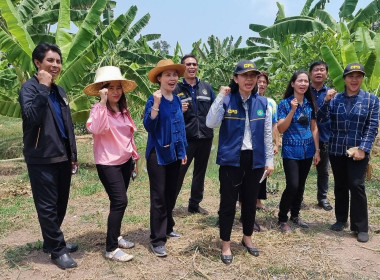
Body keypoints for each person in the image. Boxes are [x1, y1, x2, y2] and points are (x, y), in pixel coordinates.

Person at [206, 60, 274, 265]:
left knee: (251, 202)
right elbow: (210, 123)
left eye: (253, 76)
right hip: (231, 159)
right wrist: (220, 96)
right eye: (245, 76)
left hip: (254, 159)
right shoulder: (227, 100)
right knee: (228, 203)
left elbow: (268, 134)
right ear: (236, 79)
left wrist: (269, 160)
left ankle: (247, 238)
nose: (250, 79)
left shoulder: (263, 103)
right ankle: (226, 243)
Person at [18, 42, 79, 269]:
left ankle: (50, 241)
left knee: (60, 204)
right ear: (37, 63)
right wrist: (43, 87)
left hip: (62, 156)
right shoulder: (30, 88)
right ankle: (57, 249)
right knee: (46, 206)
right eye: (50, 61)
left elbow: (67, 125)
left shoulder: (59, 90)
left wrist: (73, 153)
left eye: (58, 61)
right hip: (41, 157)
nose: (55, 65)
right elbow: (31, 117)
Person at [317, 63, 379, 243]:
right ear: (344, 79)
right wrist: (325, 102)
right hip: (336, 149)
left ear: (362, 79)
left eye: (358, 76)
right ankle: (341, 219)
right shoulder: (335, 99)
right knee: (341, 185)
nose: (354, 80)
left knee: (357, 185)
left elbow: (372, 126)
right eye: (351, 76)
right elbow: (321, 119)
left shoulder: (371, 100)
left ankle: (360, 227)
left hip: (358, 151)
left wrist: (363, 148)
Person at [84, 66, 139, 262]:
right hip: (108, 164)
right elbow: (96, 129)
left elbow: (129, 135)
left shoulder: (123, 110)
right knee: (120, 201)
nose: (116, 91)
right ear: (103, 89)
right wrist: (102, 101)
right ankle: (111, 248)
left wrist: (135, 159)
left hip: (125, 162)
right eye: (110, 88)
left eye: (118, 87)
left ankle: (115, 236)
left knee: (118, 203)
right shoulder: (99, 110)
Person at [144, 59, 188, 257]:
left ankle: (168, 227)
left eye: (174, 74)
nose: (172, 78)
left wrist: (183, 151)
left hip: (175, 154)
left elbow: (179, 128)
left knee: (171, 192)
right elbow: (149, 126)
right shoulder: (154, 99)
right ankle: (157, 239)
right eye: (167, 75)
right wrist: (156, 105)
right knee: (159, 196)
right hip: (158, 155)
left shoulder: (177, 99)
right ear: (159, 78)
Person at [277, 70, 320, 233]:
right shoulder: (284, 104)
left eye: (305, 81)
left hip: (308, 150)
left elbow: (314, 128)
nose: (303, 84)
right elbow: (281, 128)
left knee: (301, 185)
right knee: (292, 185)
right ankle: (282, 218)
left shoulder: (310, 104)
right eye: (300, 81)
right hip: (291, 151)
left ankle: (295, 214)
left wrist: (317, 150)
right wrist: (292, 110)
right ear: (293, 84)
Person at [173, 54, 215, 215]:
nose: (192, 67)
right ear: (183, 67)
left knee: (200, 172)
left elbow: (215, 109)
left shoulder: (206, 87)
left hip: (205, 136)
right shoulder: (176, 89)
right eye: (188, 64)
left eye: (194, 64)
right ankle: (169, 204)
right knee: (178, 173)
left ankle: (194, 204)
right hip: (185, 139)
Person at [309, 61, 335, 211]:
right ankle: (297, 197)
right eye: (316, 70)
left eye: (322, 70)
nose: (319, 72)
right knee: (301, 170)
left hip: (325, 136)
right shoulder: (305, 90)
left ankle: (322, 197)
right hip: (305, 135)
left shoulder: (331, 94)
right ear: (310, 73)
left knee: (324, 170)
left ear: (326, 73)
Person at [255, 71, 280, 212]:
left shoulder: (270, 103)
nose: (262, 84)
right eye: (259, 81)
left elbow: (274, 124)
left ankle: (258, 200)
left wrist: (276, 143)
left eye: (264, 82)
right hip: (252, 143)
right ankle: (245, 200)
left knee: (263, 170)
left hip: (265, 143)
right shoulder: (250, 99)